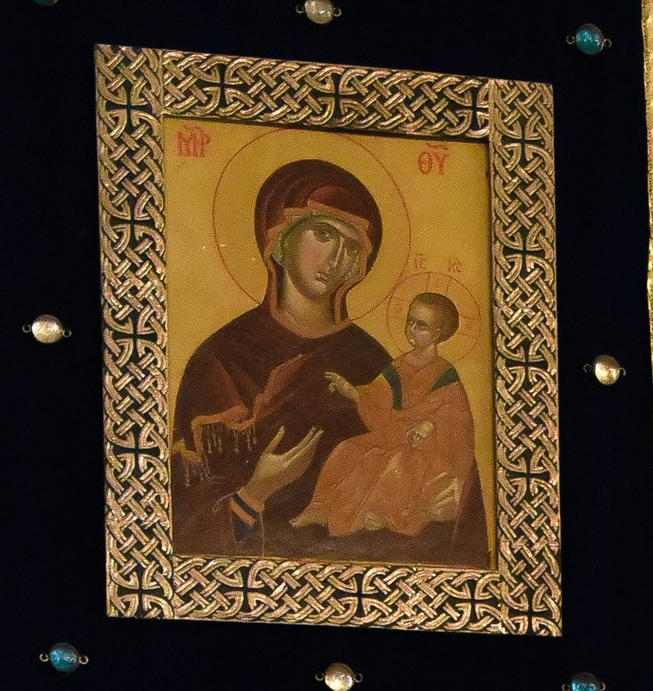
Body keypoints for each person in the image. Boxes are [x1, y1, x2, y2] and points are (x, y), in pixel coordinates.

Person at [169, 155, 392, 559]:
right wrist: (256, 492)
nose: (336, 258)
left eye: (351, 246)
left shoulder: (373, 361)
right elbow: (180, 525)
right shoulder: (219, 360)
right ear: (280, 239)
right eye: (323, 234)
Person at [292, 287, 488, 557]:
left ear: (438, 333)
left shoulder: (445, 373)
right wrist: (351, 390)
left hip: (430, 450)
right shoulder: (400, 365)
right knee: (349, 450)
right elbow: (377, 395)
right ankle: (321, 508)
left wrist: (429, 425)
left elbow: (456, 416)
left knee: (398, 464)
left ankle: (382, 513)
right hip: (396, 434)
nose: (411, 329)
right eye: (410, 321)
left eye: (421, 326)